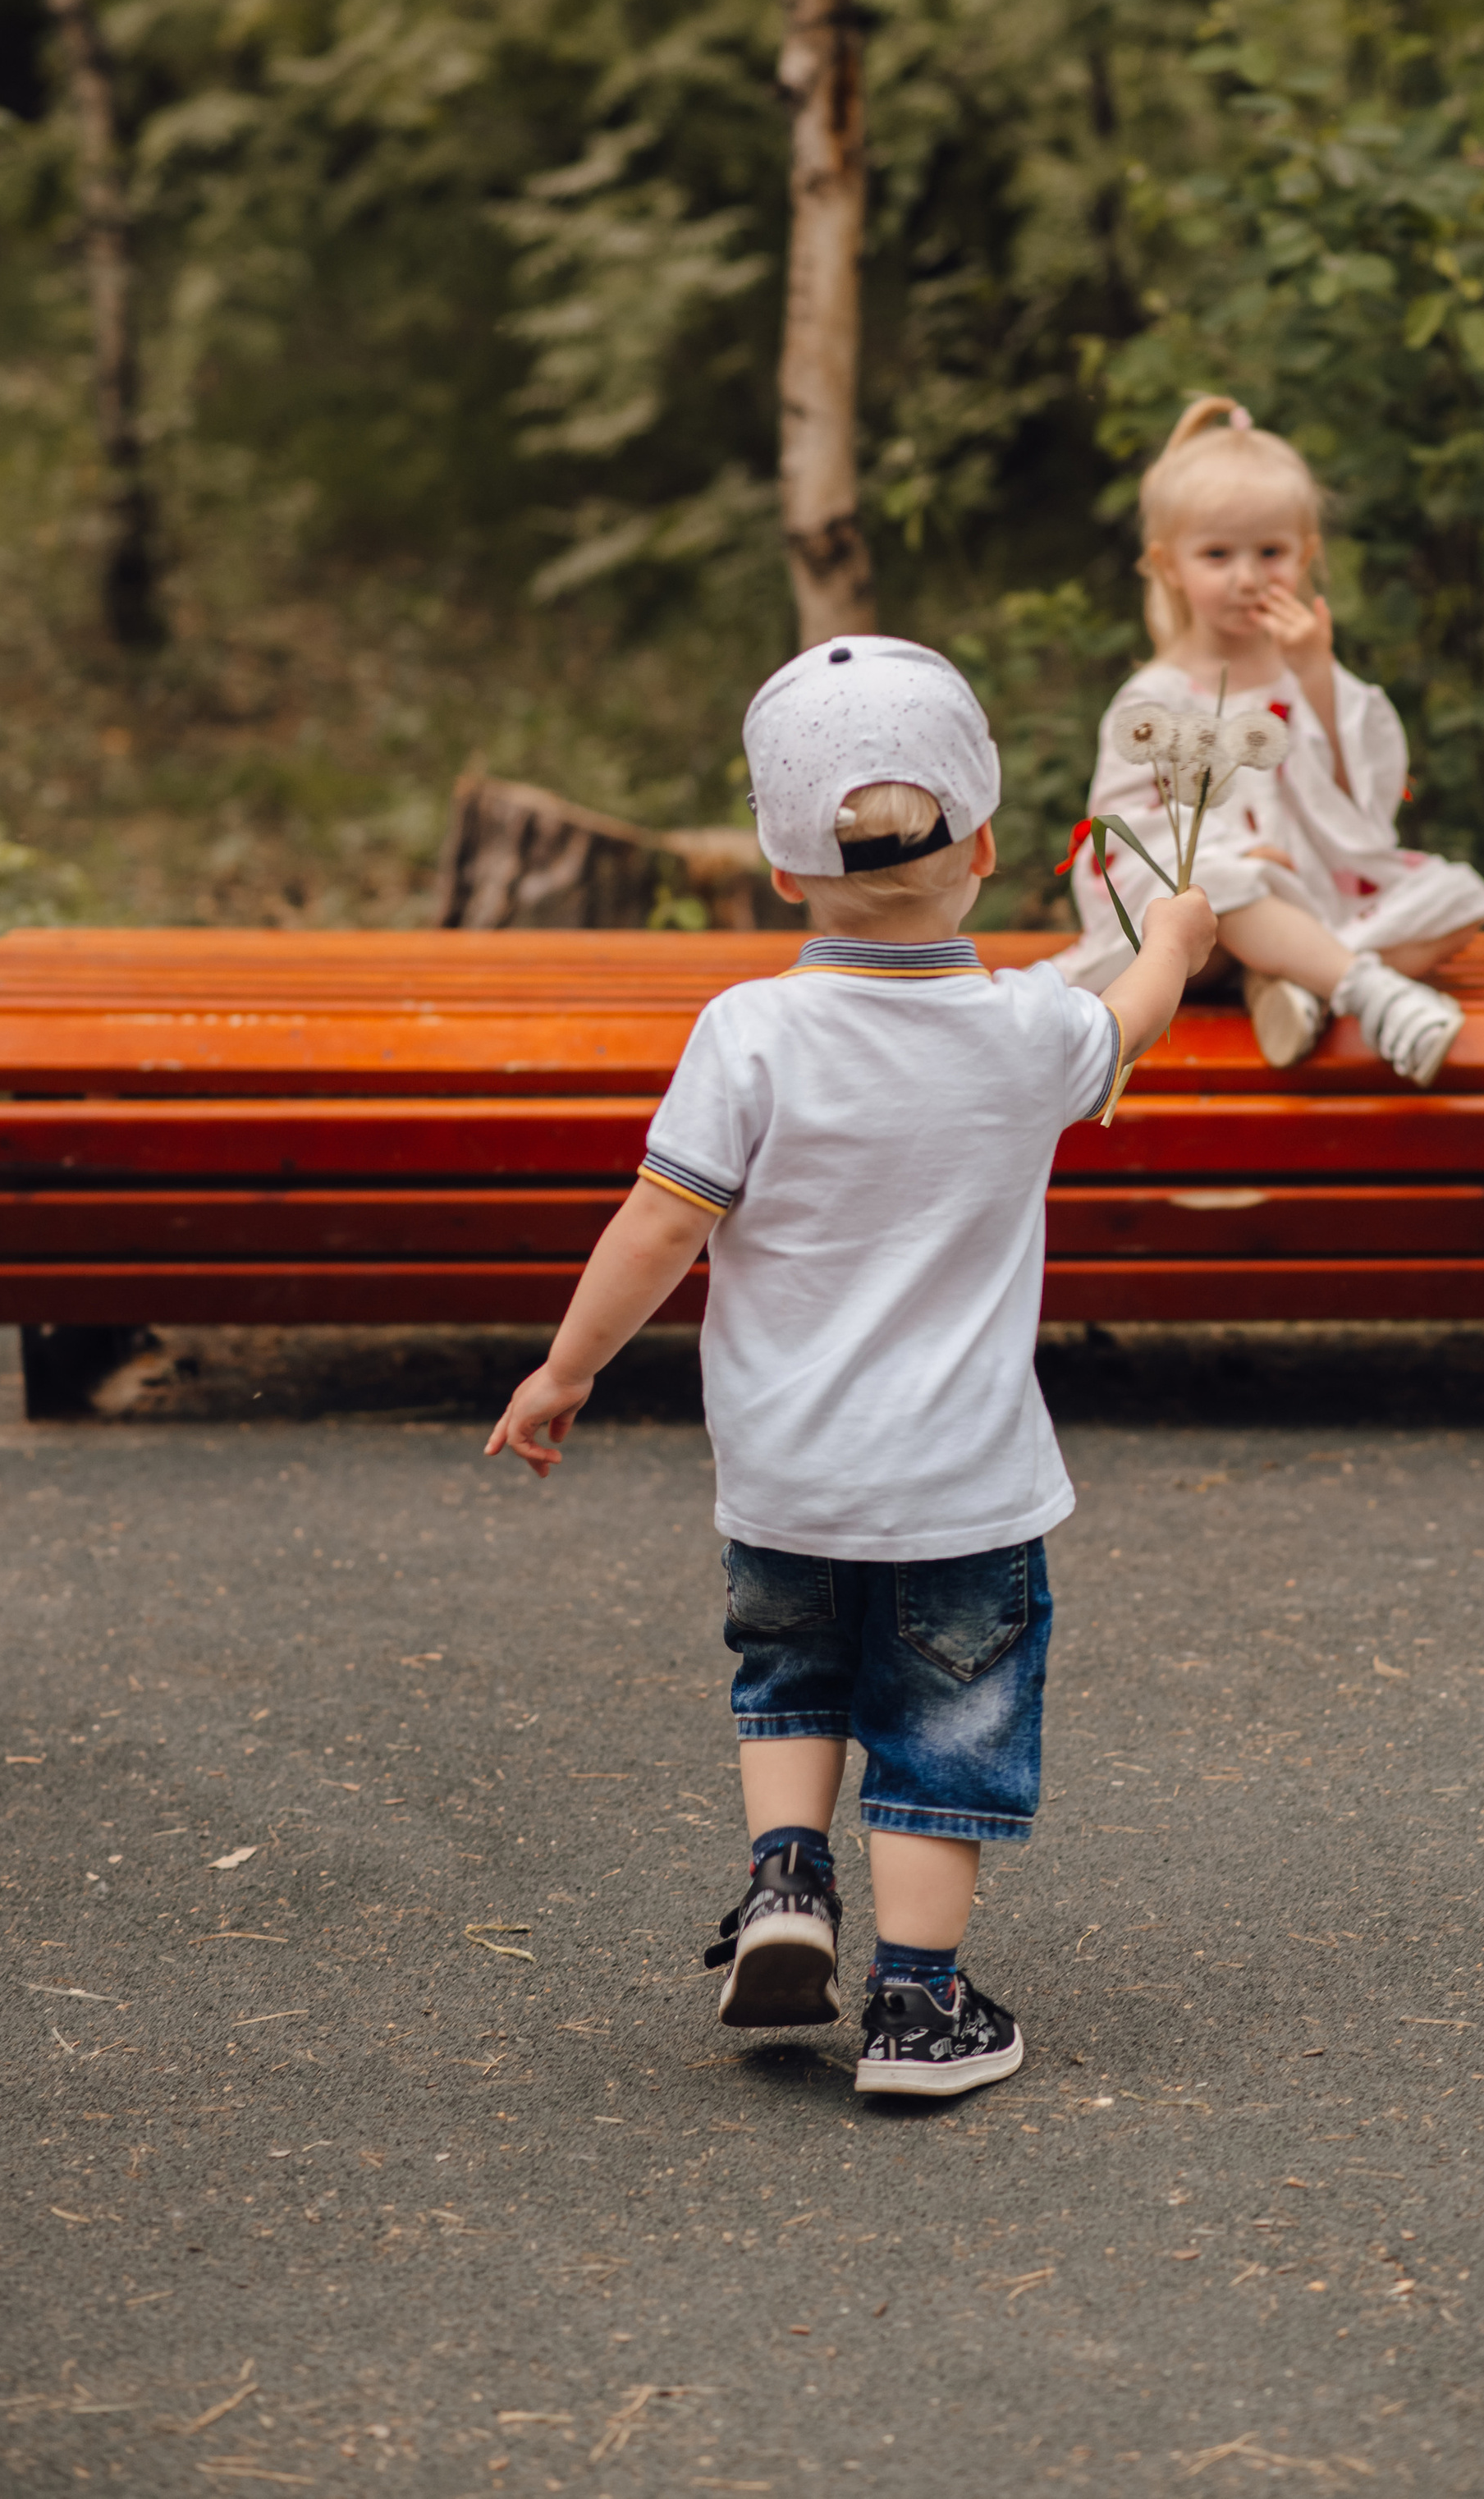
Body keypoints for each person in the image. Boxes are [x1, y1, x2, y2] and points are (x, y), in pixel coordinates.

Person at [486, 636, 1216, 2098]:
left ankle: (785, 1882)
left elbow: (657, 1224)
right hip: (961, 1485)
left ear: (779, 868)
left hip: (785, 1471)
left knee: (793, 1677)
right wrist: (1175, 946)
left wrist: (564, 1369)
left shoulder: (746, 1031)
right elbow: (1123, 1025)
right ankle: (921, 2007)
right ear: (989, 846)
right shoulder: (1025, 1028)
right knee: (946, 1726)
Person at [1053, 394, 1484, 1086]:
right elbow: (1117, 836)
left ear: (1307, 555)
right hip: (1203, 931)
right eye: (1217, 554)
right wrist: (1232, 856)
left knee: (1457, 902)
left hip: (1312, 898)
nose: (1247, 577)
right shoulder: (1157, 699)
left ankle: (1290, 983)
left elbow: (1369, 803)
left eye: (1271, 552)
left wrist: (1316, 673)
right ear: (1169, 564)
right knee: (1223, 885)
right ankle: (1367, 993)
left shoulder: (1307, 671)